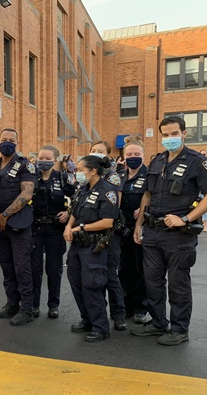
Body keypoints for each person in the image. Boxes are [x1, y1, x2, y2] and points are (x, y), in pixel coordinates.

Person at [132, 115, 207, 345]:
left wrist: (186, 218)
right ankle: (158, 322)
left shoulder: (197, 162)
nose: (169, 138)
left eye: (174, 134)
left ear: (184, 133)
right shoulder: (158, 161)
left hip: (178, 236)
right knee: (152, 280)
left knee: (178, 283)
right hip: (152, 232)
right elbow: (147, 195)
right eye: (165, 135)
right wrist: (139, 224)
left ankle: (180, 329)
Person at [0, 128, 37, 325]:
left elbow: (26, 195)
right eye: (4, 139)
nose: (8, 142)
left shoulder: (25, 165)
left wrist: (5, 215)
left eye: (11, 140)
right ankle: (12, 303)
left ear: (17, 142)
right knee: (6, 266)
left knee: (22, 267)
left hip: (18, 223)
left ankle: (27, 308)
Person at [64, 155, 118, 342]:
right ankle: (87, 319)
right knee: (76, 283)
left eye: (80, 169)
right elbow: (74, 211)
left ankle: (100, 327)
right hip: (77, 245)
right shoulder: (83, 190)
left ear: (93, 171)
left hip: (93, 245)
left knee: (92, 285)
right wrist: (68, 227)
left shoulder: (107, 191)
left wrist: (82, 227)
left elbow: (108, 221)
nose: (77, 173)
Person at [31, 145, 74, 319]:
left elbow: (77, 198)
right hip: (36, 228)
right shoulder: (31, 179)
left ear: (55, 160)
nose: (44, 161)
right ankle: (33, 305)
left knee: (54, 269)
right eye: (41, 157)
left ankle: (53, 305)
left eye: (48, 158)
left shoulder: (63, 178)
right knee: (34, 269)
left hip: (55, 230)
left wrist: (68, 212)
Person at [89, 140, 127, 330]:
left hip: (108, 233)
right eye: (93, 151)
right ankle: (94, 315)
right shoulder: (87, 176)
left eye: (101, 152)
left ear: (108, 156)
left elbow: (114, 206)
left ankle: (119, 315)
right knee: (92, 279)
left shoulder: (113, 178)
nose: (96, 154)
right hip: (88, 235)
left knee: (110, 276)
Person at [118, 135, 149, 324]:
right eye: (129, 154)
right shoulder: (119, 175)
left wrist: (146, 209)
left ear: (143, 156)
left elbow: (155, 197)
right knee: (124, 269)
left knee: (141, 269)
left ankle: (140, 307)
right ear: (124, 156)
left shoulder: (149, 176)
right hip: (122, 229)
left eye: (137, 154)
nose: (133, 157)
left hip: (141, 229)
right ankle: (126, 305)